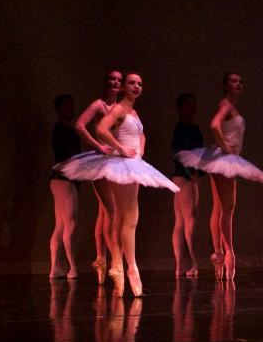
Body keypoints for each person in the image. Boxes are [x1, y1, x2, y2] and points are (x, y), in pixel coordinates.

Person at [57, 73, 180, 296]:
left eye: (140, 84)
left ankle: (119, 267)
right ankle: (129, 267)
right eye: (132, 83)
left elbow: (141, 134)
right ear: (123, 87)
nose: (136, 86)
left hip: (134, 163)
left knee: (126, 218)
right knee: (126, 216)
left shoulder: (133, 112)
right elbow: (101, 129)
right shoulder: (118, 109)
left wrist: (141, 148)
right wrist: (121, 149)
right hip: (122, 165)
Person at [176, 73, 263, 281]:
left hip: (221, 158)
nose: (238, 84)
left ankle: (218, 251)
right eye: (234, 81)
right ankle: (229, 252)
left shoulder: (230, 106)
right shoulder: (226, 105)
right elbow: (214, 124)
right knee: (228, 207)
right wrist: (225, 146)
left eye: (240, 81)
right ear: (225, 85)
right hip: (225, 158)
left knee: (219, 207)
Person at [73, 70, 123, 285]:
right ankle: (113, 260)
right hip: (101, 162)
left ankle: (101, 257)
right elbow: (80, 125)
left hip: (116, 161)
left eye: (118, 81)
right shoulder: (99, 105)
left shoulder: (120, 108)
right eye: (112, 79)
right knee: (110, 210)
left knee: (105, 213)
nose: (115, 83)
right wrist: (98, 145)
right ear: (105, 82)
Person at [170, 93, 204, 278]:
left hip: (182, 177)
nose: (192, 108)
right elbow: (177, 152)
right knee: (188, 221)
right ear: (180, 108)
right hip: (184, 178)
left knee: (181, 222)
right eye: (188, 105)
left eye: (194, 104)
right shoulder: (183, 128)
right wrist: (192, 172)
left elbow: (197, 155)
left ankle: (180, 266)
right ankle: (193, 263)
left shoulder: (192, 128)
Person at [48, 94, 81, 279]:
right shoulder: (61, 130)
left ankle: (55, 267)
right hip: (64, 180)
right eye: (67, 106)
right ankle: (72, 268)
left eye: (72, 105)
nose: (71, 109)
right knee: (70, 224)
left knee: (60, 225)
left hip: (60, 180)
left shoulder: (66, 130)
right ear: (59, 109)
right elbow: (65, 155)